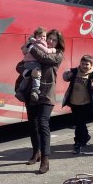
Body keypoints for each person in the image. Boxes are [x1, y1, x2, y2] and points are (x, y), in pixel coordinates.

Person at [22, 28, 64, 174]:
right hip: (32, 92)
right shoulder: (39, 49)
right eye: (49, 39)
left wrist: (31, 47)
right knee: (32, 124)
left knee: (43, 123)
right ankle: (36, 153)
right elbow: (20, 65)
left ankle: (45, 159)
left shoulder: (58, 54)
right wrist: (28, 72)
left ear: (59, 43)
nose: (51, 41)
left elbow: (45, 59)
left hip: (47, 93)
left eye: (54, 40)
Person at [62, 55, 93, 154]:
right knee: (79, 122)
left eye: (87, 64)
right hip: (74, 102)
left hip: (86, 103)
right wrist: (67, 75)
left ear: (91, 65)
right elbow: (65, 77)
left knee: (79, 123)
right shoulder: (74, 72)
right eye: (83, 63)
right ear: (80, 64)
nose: (84, 66)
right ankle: (85, 137)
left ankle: (77, 142)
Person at [18, 27, 55, 103]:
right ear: (36, 37)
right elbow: (46, 51)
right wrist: (53, 50)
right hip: (33, 63)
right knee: (37, 74)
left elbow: (24, 50)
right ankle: (35, 89)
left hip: (27, 63)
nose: (42, 38)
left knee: (27, 77)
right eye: (40, 36)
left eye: (44, 36)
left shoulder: (32, 42)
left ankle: (20, 90)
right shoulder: (39, 43)